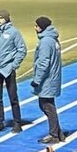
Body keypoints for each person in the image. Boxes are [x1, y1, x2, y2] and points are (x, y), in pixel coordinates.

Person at [0, 9, 27, 133]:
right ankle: (0, 121)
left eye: (1, 18)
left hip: (8, 69)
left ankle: (17, 122)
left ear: (6, 19)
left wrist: (14, 65)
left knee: (13, 96)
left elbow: (21, 49)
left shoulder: (14, 32)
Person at [31, 16, 64, 144]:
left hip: (47, 79)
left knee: (46, 106)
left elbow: (43, 63)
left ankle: (54, 134)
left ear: (41, 27)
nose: (35, 28)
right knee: (49, 105)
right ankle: (58, 132)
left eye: (36, 26)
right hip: (53, 77)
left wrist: (37, 80)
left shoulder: (45, 42)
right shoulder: (53, 39)